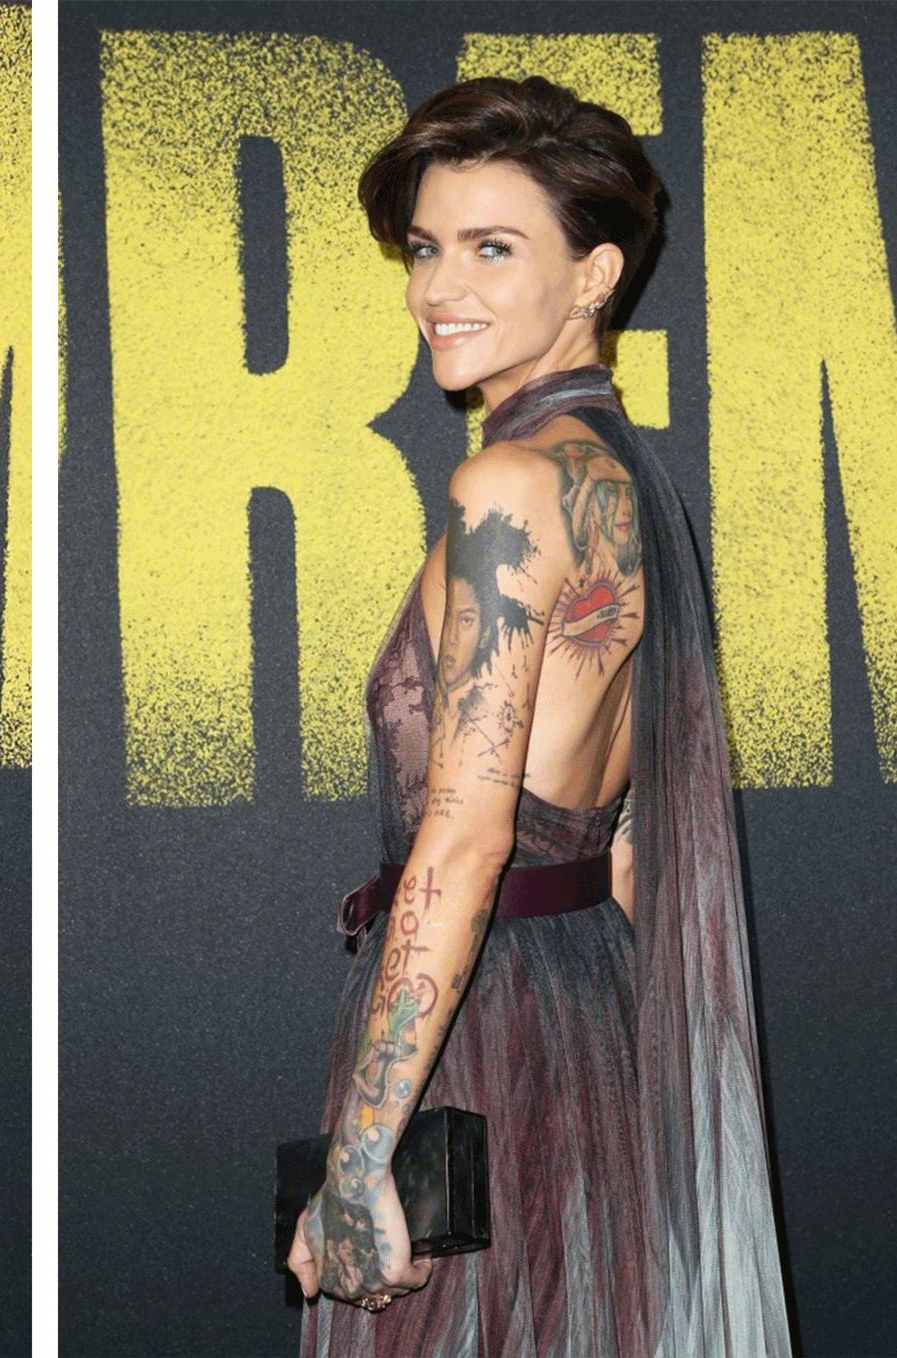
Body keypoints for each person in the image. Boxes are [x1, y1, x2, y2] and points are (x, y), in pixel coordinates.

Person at [287, 76, 792, 1357]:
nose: (437, 288)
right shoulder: (624, 478)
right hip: (590, 1019)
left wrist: (360, 1155)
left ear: (594, 276)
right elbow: (624, 845)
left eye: (492, 248)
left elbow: (465, 842)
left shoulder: (508, 485)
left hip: (485, 1027)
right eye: (425, 248)